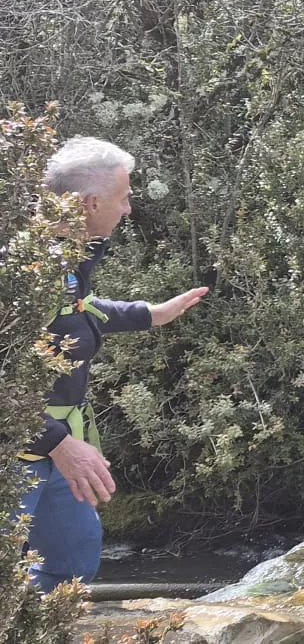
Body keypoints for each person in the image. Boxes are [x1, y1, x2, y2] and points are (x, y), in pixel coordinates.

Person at [20, 138, 208, 590]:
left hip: (57, 445)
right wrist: (60, 444)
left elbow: (74, 309)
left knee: (71, 570)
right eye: (123, 198)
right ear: (90, 203)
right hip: (25, 449)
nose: (128, 209)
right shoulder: (22, 271)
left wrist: (150, 314)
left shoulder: (66, 258)